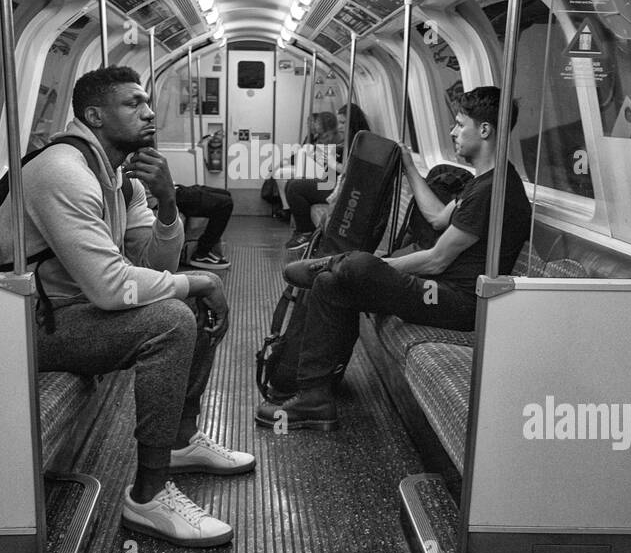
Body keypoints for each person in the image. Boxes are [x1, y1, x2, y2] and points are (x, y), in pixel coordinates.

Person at [0, 66, 254, 547]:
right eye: (133, 103)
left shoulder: (119, 180)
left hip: (65, 311)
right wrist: (199, 279)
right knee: (173, 317)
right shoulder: (63, 172)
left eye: (148, 102)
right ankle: (148, 497)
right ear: (94, 115)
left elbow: (152, 264)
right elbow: (112, 288)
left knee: (186, 306)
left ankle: (181, 440)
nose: (150, 113)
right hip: (14, 325)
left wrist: (169, 205)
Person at [256, 87, 531, 430]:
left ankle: (337, 263)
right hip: (438, 289)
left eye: (460, 125)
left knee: (355, 267)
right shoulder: (482, 183)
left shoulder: (496, 191)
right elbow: (436, 218)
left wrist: (369, 269)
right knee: (331, 284)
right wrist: (410, 168)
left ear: (485, 130)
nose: (452, 133)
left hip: (457, 302)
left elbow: (436, 261)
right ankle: (316, 396)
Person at [285, 103, 369, 248]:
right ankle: (302, 231)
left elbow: (355, 173)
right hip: (336, 183)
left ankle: (306, 232)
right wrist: (320, 159)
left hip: (349, 191)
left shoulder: (362, 142)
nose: (339, 126)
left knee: (295, 188)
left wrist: (333, 163)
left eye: (343, 122)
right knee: (291, 183)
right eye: (339, 122)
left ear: (352, 122)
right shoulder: (349, 141)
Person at [174, 182, 233, 269]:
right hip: (168, 195)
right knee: (225, 204)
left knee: (226, 193)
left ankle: (208, 249)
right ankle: (201, 253)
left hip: (174, 188)